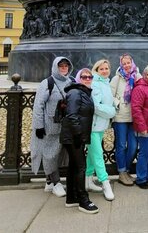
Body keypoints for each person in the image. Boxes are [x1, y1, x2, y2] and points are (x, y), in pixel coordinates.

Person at [31, 56, 74, 197]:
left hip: (66, 125)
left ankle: (49, 181)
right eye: (61, 66)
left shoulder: (71, 81)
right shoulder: (47, 83)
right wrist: (39, 126)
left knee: (61, 154)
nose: (64, 68)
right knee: (50, 154)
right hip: (51, 125)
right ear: (56, 67)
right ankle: (56, 183)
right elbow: (38, 105)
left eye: (66, 66)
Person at [60, 68, 98, 213]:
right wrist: (78, 135)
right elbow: (72, 115)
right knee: (81, 167)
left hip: (74, 135)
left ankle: (71, 198)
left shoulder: (83, 92)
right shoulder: (76, 92)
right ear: (78, 78)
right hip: (74, 136)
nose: (87, 79)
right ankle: (83, 200)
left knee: (74, 166)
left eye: (90, 77)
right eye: (84, 77)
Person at [85, 59, 116, 200]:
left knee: (92, 155)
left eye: (106, 68)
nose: (104, 71)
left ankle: (88, 181)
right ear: (96, 70)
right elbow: (95, 106)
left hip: (100, 125)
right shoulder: (96, 84)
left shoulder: (105, 83)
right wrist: (112, 111)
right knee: (98, 155)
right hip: (93, 126)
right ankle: (105, 183)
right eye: (101, 69)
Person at [110, 53, 142, 186]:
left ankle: (127, 170)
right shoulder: (117, 78)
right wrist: (118, 103)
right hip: (121, 117)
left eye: (128, 63)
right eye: (124, 63)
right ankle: (122, 172)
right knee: (121, 145)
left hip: (134, 116)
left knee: (133, 146)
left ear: (132, 62)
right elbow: (110, 95)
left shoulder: (138, 77)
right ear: (121, 65)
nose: (127, 65)